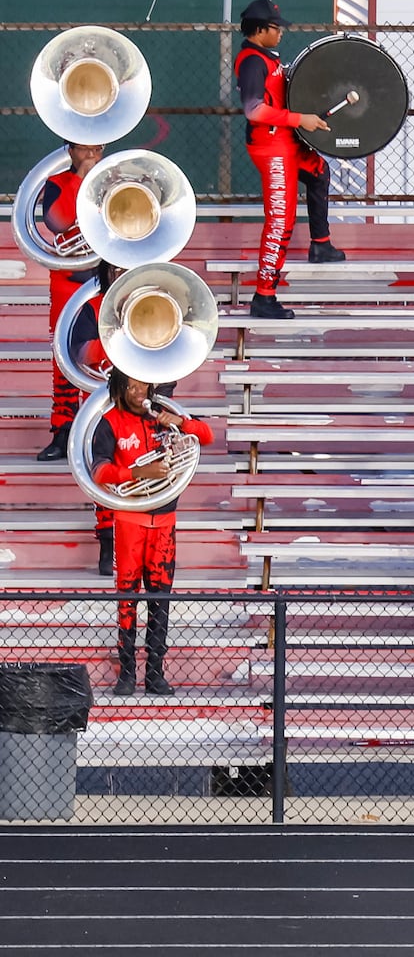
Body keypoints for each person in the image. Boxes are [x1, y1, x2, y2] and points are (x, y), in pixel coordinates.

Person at [90, 371, 213, 696]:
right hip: (129, 523)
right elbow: (99, 471)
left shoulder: (164, 415)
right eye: (128, 385)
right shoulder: (109, 422)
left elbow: (207, 435)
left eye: (141, 384)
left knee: (161, 602)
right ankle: (127, 673)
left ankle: (155, 673)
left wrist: (181, 423)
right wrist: (138, 472)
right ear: (118, 387)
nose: (136, 391)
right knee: (127, 602)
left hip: (165, 525)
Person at [234, 0, 344, 321]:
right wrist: (300, 119)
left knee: (319, 171)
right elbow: (253, 110)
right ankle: (264, 296)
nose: (280, 33)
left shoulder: (268, 57)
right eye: (275, 28)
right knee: (280, 221)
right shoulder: (253, 61)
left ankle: (320, 244)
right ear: (259, 30)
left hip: (286, 143)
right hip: (271, 148)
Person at [36, 140, 104, 463]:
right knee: (62, 358)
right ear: (70, 151)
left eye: (98, 149)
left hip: (102, 280)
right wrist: (80, 179)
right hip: (67, 278)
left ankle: (95, 435)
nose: (92, 155)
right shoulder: (57, 182)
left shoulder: (112, 179)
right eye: (84, 149)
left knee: (95, 355)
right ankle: (62, 432)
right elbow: (57, 222)